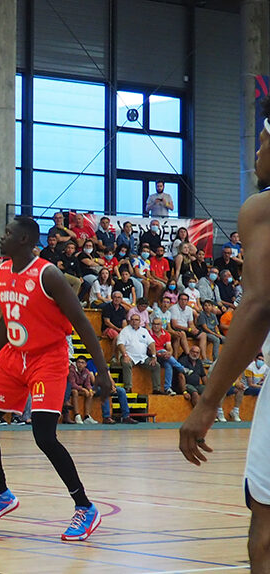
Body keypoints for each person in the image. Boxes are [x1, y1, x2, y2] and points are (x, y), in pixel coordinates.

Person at [0, 216, 111, 541]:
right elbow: (7, 314)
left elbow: (82, 323)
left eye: (7, 233)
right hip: (12, 356)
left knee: (44, 437)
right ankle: (1, 493)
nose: (1, 237)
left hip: (47, 358)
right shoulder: (3, 270)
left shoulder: (48, 275)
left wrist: (102, 371)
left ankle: (85, 507)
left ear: (23, 241)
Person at [180, 107, 270, 572]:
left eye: (262, 141)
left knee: (266, 530)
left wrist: (208, 401)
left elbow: (257, 307)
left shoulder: (262, 208)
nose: (257, 153)